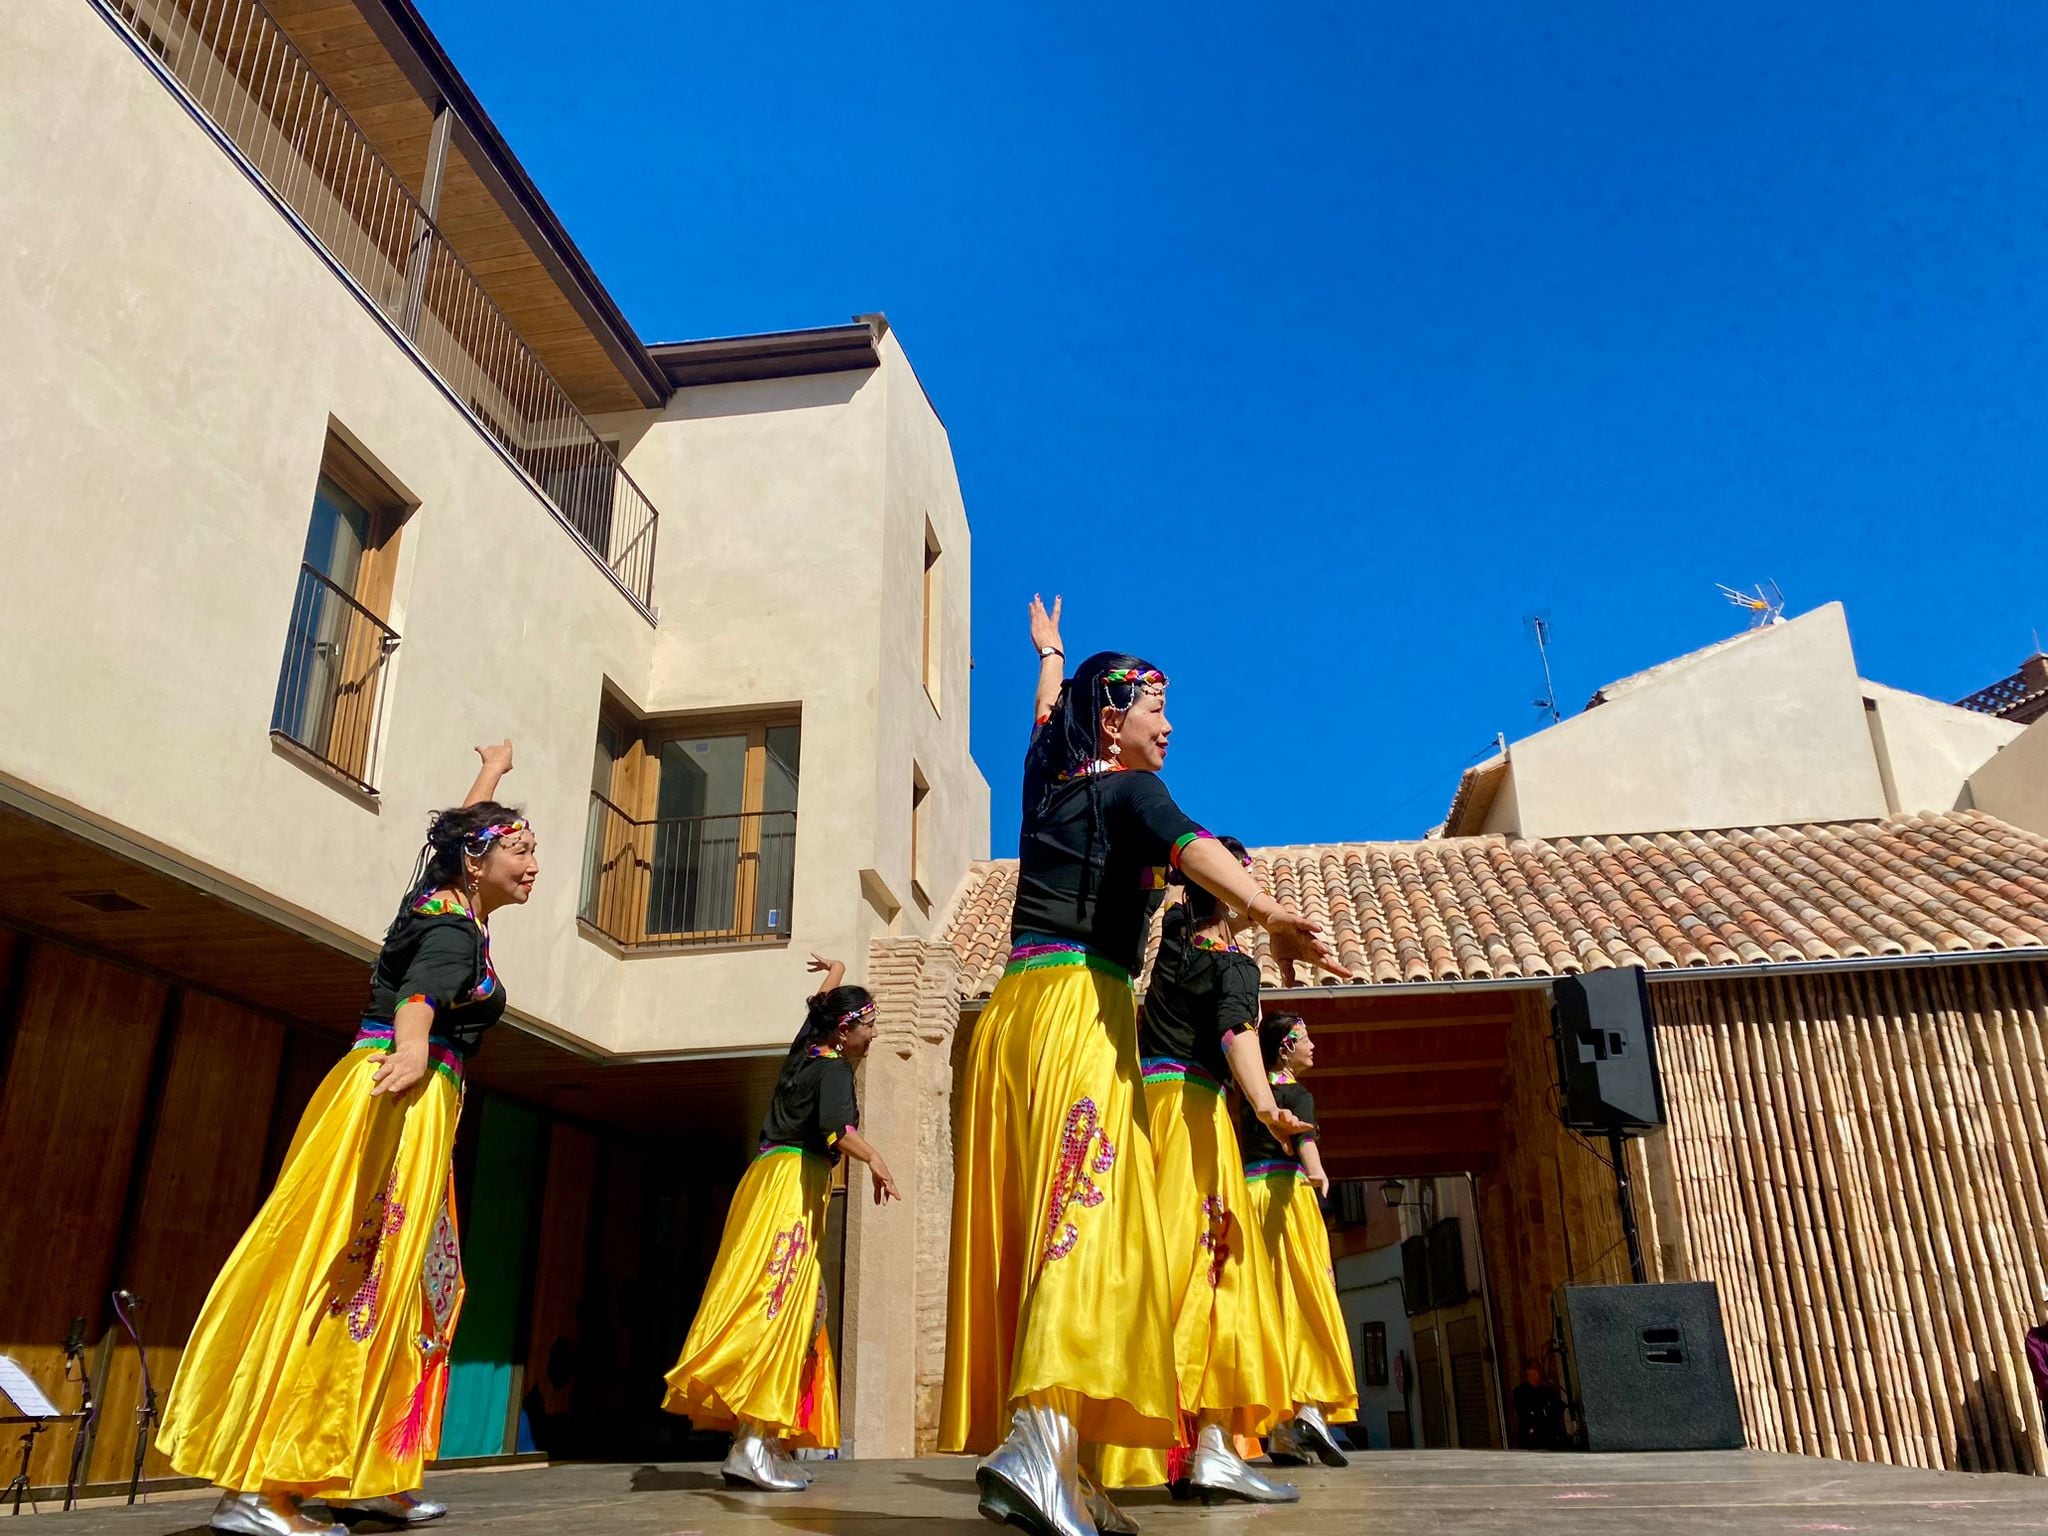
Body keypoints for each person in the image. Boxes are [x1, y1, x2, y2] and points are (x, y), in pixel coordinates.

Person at [941, 597, 1346, 1536]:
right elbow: (1193, 843)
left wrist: (1051, 655)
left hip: (1014, 1018)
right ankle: (1039, 1444)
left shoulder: (1049, 784)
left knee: (1054, 1218)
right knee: (1092, 1220)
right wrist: (1272, 911)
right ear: (1115, 718)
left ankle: (1053, 1450)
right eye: (1156, 708)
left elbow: (1044, 720)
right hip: (1084, 1005)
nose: (1169, 725)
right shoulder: (1130, 793)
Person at [159, 743, 532, 1536]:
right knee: (358, 1279)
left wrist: (491, 775)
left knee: (418, 1288)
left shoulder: (445, 904)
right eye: (522, 850)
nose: (533, 864)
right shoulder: (454, 936)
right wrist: (409, 1053)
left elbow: (456, 849)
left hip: (411, 1102)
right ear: (479, 860)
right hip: (402, 1102)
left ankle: (365, 1466)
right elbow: (422, 1001)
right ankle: (270, 1485)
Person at [1089, 839, 1305, 1505]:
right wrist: (1267, 1107)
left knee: (1155, 1268)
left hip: (1145, 1113)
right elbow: (1237, 1037)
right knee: (1214, 1271)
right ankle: (1208, 1446)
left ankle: (1153, 1443)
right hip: (1193, 1115)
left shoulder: (1173, 945)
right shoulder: (1230, 960)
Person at [662, 957, 900, 1490]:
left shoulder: (805, 1051)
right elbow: (837, 1131)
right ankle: (749, 1443)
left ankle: (764, 1439)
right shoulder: (835, 1069)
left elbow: (818, 1007)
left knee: (800, 1306)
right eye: (869, 1023)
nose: (874, 1032)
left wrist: (836, 968)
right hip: (791, 1188)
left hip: (770, 1181)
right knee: (780, 1304)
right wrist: (877, 1159)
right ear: (846, 1029)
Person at [1242, 1012, 1360, 1468]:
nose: (1313, 1045)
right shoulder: (1297, 1095)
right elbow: (1305, 1147)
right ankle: (1309, 1406)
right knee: (1307, 1299)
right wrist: (1319, 1174)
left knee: (1267, 1306)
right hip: (1287, 1196)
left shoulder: (1252, 1096)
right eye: (1306, 1038)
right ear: (1285, 1047)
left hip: (1250, 1193)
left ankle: (1282, 1432)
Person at [1512, 1359, 1568, 1450]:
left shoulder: (1546, 1391)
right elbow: (1524, 1413)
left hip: (1550, 1437)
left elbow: (1560, 1407)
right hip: (1532, 1439)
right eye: (1535, 1369)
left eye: (1539, 1369)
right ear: (1528, 1372)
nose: (1538, 1372)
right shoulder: (1520, 1392)